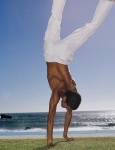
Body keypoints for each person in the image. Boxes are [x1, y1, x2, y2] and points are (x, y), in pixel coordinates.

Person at [44, 0, 114, 147]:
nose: (64, 108)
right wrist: (49, 141)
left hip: (61, 55)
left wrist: (65, 135)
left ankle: (107, 2)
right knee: (55, 18)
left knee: (88, 27)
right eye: (66, 106)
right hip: (50, 53)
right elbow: (50, 117)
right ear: (66, 101)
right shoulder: (57, 92)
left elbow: (67, 112)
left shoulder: (72, 89)